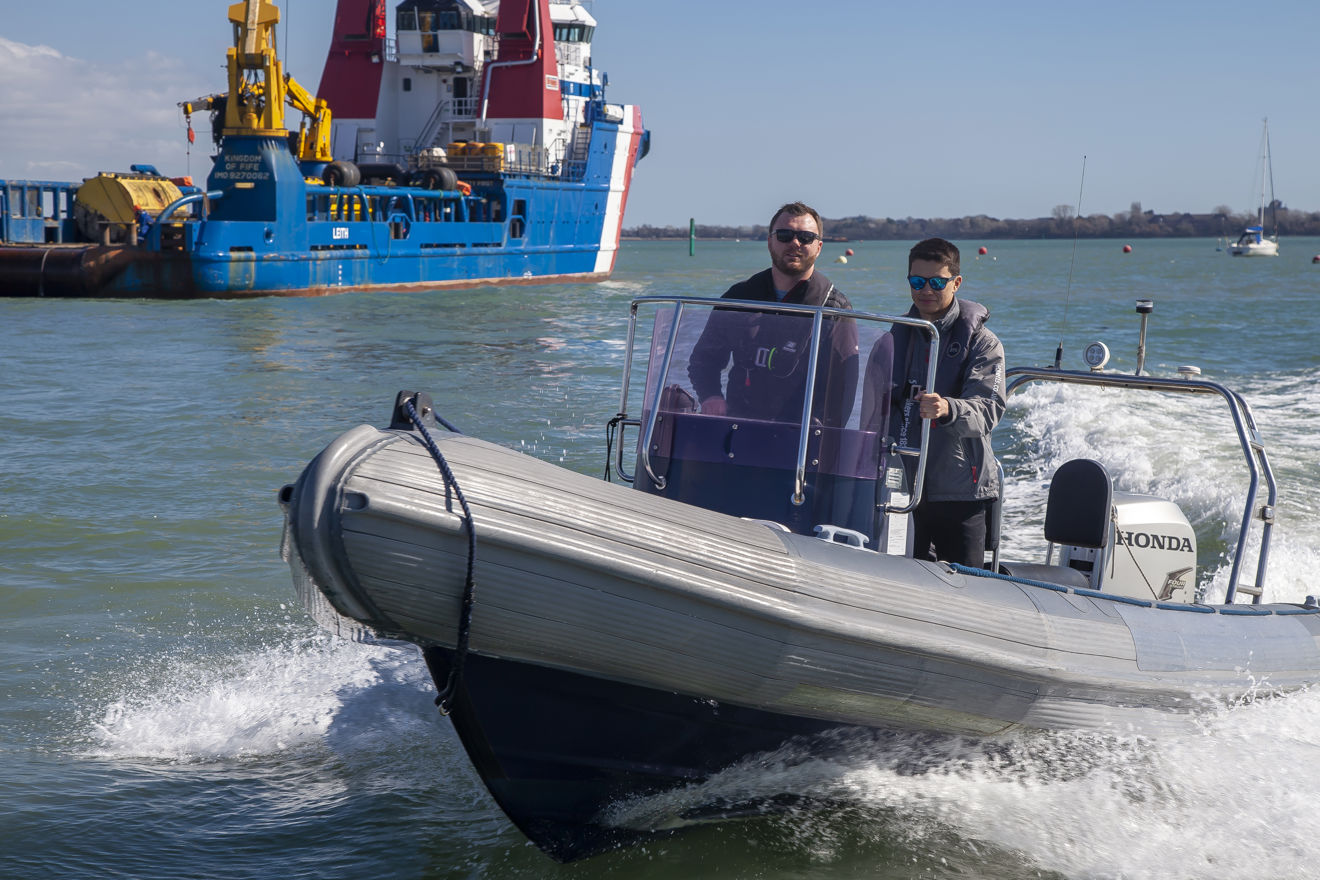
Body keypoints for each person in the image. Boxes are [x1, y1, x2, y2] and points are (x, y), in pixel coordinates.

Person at [867, 237, 1005, 566]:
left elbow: (988, 411)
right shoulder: (892, 338)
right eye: (917, 281)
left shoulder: (984, 344)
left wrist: (947, 408)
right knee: (893, 581)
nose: (925, 290)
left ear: (956, 283)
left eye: (936, 282)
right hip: (899, 488)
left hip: (960, 491)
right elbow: (872, 414)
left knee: (967, 590)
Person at [686, 202, 858, 426]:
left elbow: (843, 388)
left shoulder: (835, 308)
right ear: (769, 242)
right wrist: (711, 396)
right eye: (784, 235)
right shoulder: (739, 296)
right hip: (738, 430)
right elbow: (703, 359)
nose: (795, 243)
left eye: (806, 237)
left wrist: (821, 435)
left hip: (801, 438)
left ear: (819, 247)